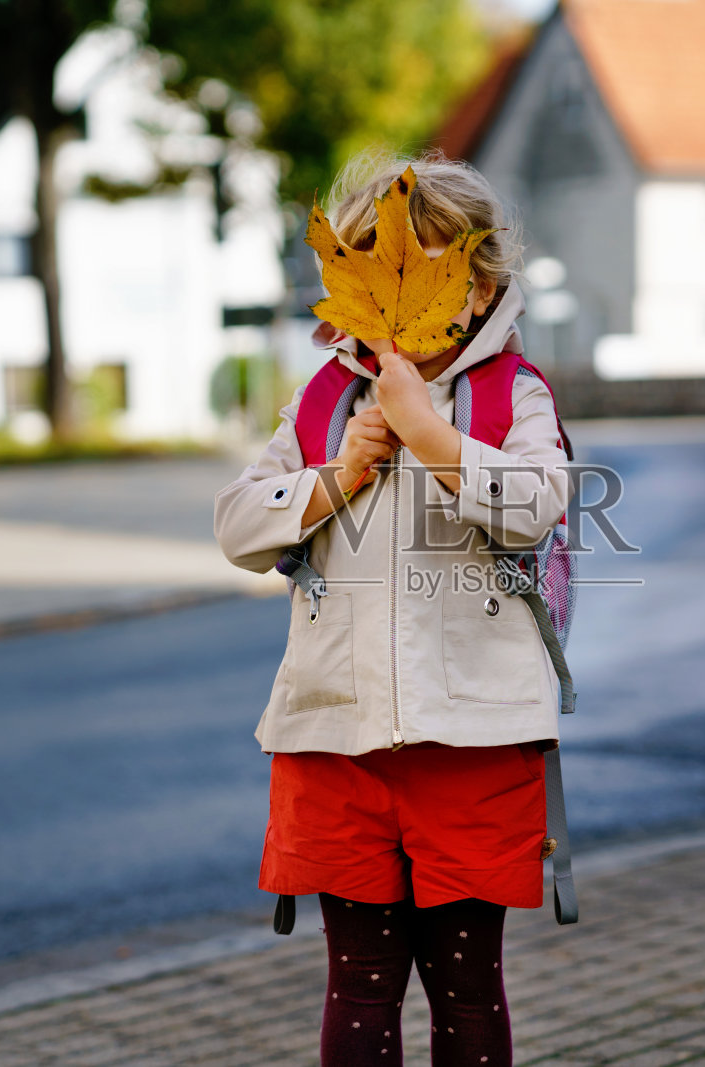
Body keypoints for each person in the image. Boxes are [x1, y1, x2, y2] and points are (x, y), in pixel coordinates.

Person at [213, 148, 572, 1067]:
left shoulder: (512, 394)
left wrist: (432, 436)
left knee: (465, 983)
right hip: (337, 738)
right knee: (362, 980)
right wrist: (342, 470)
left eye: (436, 271)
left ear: (481, 284)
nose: (404, 299)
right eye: (377, 269)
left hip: (473, 738)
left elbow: (536, 504)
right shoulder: (328, 398)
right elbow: (240, 526)